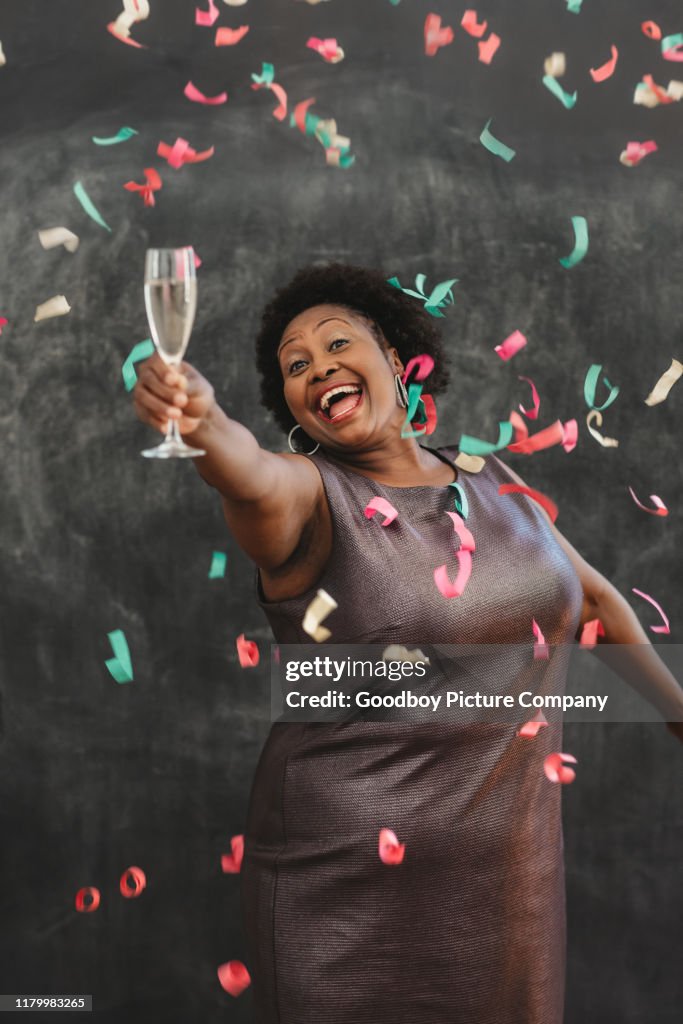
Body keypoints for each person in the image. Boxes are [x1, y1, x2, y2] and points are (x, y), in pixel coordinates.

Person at [133, 263, 682, 1023]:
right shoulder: (306, 493)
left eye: (336, 345)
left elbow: (587, 597)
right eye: (296, 366)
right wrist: (204, 424)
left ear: (396, 361)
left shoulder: (487, 474)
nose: (318, 366)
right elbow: (248, 476)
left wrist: (675, 710)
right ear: (291, 403)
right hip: (346, 882)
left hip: (507, 884)